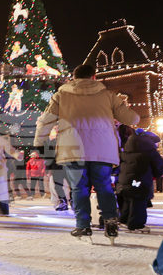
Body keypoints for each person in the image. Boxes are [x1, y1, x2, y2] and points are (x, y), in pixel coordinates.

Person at [34, 63, 139, 239]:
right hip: (102, 149)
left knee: (79, 188)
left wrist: (39, 141)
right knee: (104, 186)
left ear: (73, 78)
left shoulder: (61, 95)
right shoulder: (108, 95)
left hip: (73, 149)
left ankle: (83, 225)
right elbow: (132, 118)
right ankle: (111, 221)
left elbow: (46, 120)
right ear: (94, 77)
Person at [116, 126, 163, 233]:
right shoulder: (150, 152)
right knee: (139, 202)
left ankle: (124, 220)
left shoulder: (126, 151)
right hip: (141, 181)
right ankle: (136, 224)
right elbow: (158, 167)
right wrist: (157, 174)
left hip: (124, 181)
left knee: (128, 200)